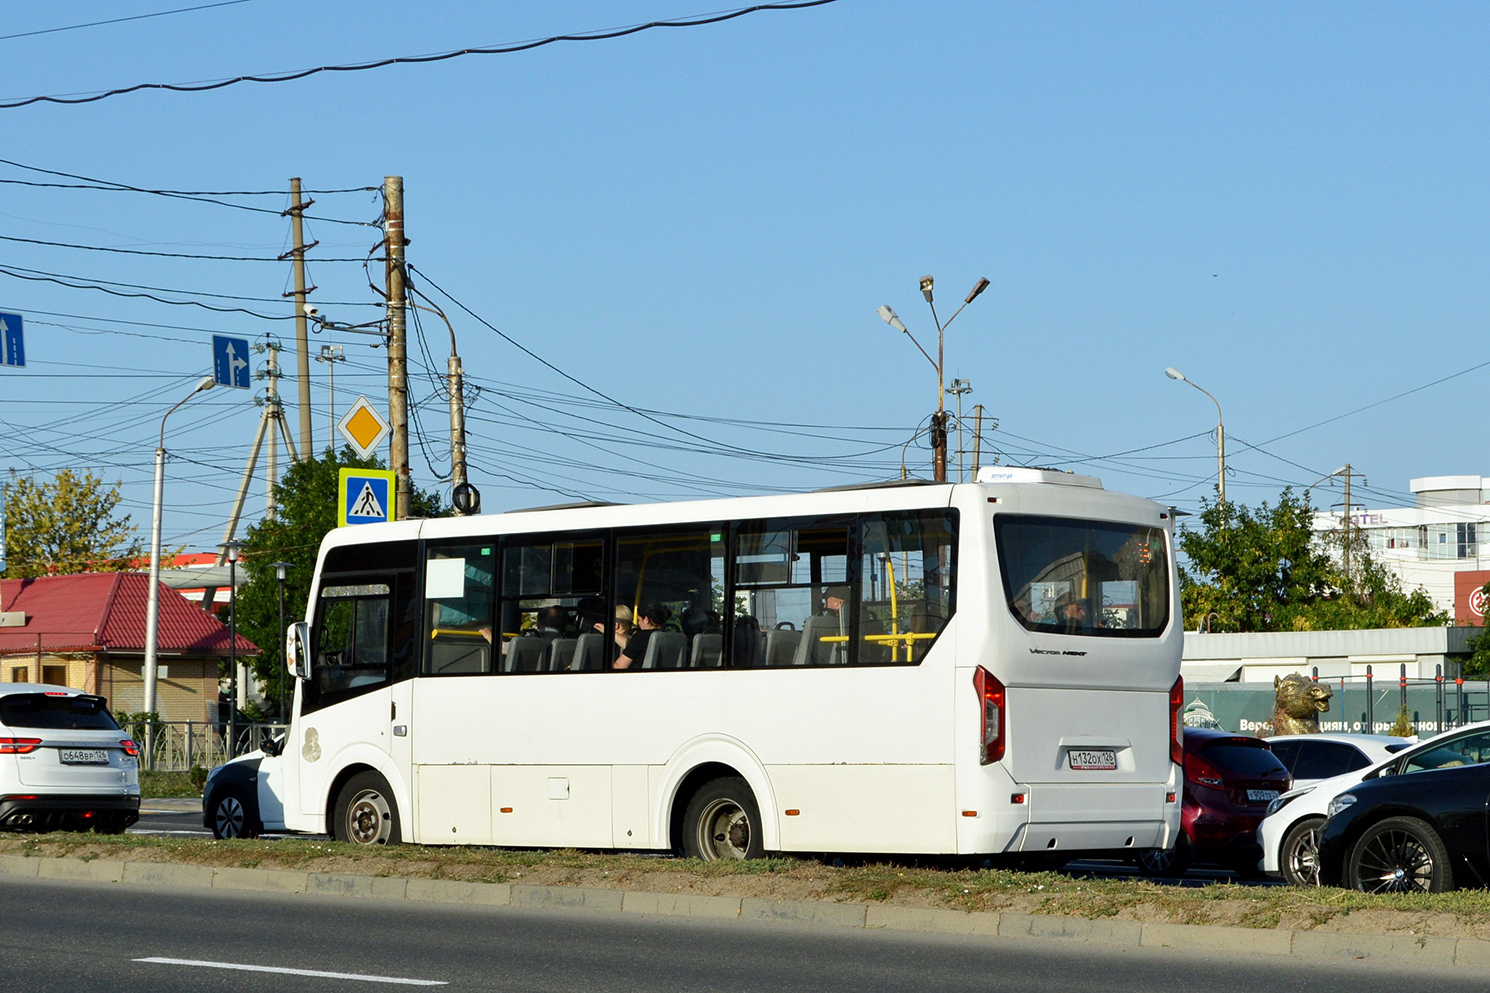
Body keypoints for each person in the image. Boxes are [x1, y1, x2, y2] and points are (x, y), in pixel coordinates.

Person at [614, 601, 670, 670]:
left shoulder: (641, 636)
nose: (638, 624)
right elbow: (631, 648)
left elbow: (619, 666)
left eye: (638, 620)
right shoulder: (668, 637)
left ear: (646, 619)